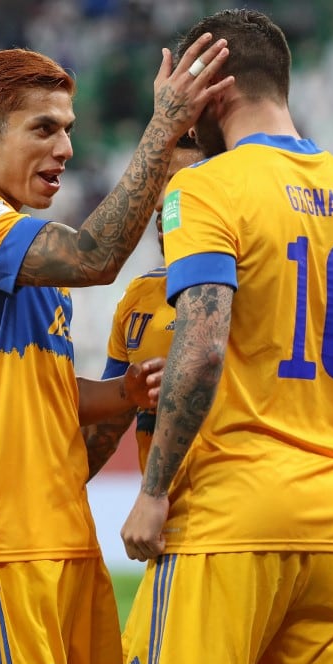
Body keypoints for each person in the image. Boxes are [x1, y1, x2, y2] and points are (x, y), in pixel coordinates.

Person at [119, 9, 333, 664]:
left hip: (230, 519)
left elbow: (204, 343)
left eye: (184, 93)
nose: (179, 112)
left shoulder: (205, 189)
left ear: (213, 89)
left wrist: (154, 493)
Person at [0, 37, 232, 664]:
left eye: (68, 130)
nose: (64, 148)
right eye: (44, 128)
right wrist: (165, 127)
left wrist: (125, 394)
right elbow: (95, 256)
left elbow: (43, 389)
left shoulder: (23, 244)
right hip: (5, 543)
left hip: (65, 534)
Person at [83, 133, 204, 479]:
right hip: (160, 527)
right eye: (158, 183)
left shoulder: (260, 291)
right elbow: (106, 426)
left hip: (237, 522)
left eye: (180, 184)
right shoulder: (139, 297)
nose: (160, 204)